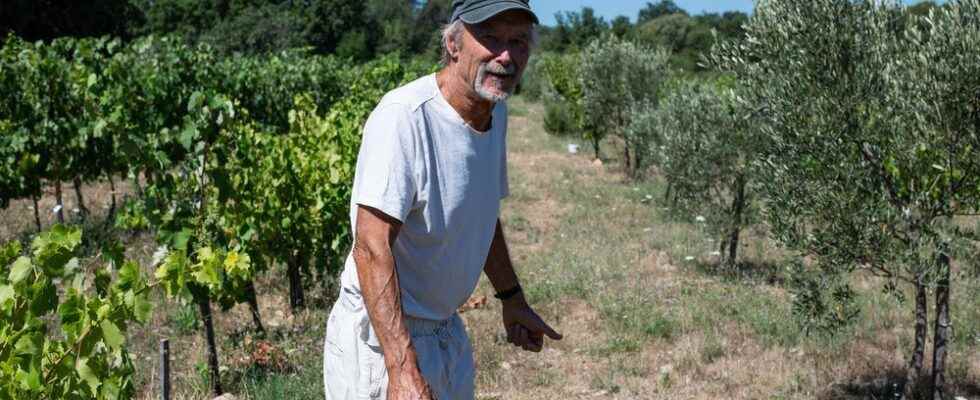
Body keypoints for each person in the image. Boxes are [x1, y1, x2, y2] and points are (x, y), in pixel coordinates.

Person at [322, 1, 562, 399]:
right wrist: (400, 368)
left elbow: (480, 214)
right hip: (383, 338)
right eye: (490, 37)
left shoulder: (493, 112)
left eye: (518, 41)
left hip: (444, 330)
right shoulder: (405, 117)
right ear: (453, 44)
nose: (505, 56)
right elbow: (370, 246)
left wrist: (511, 298)